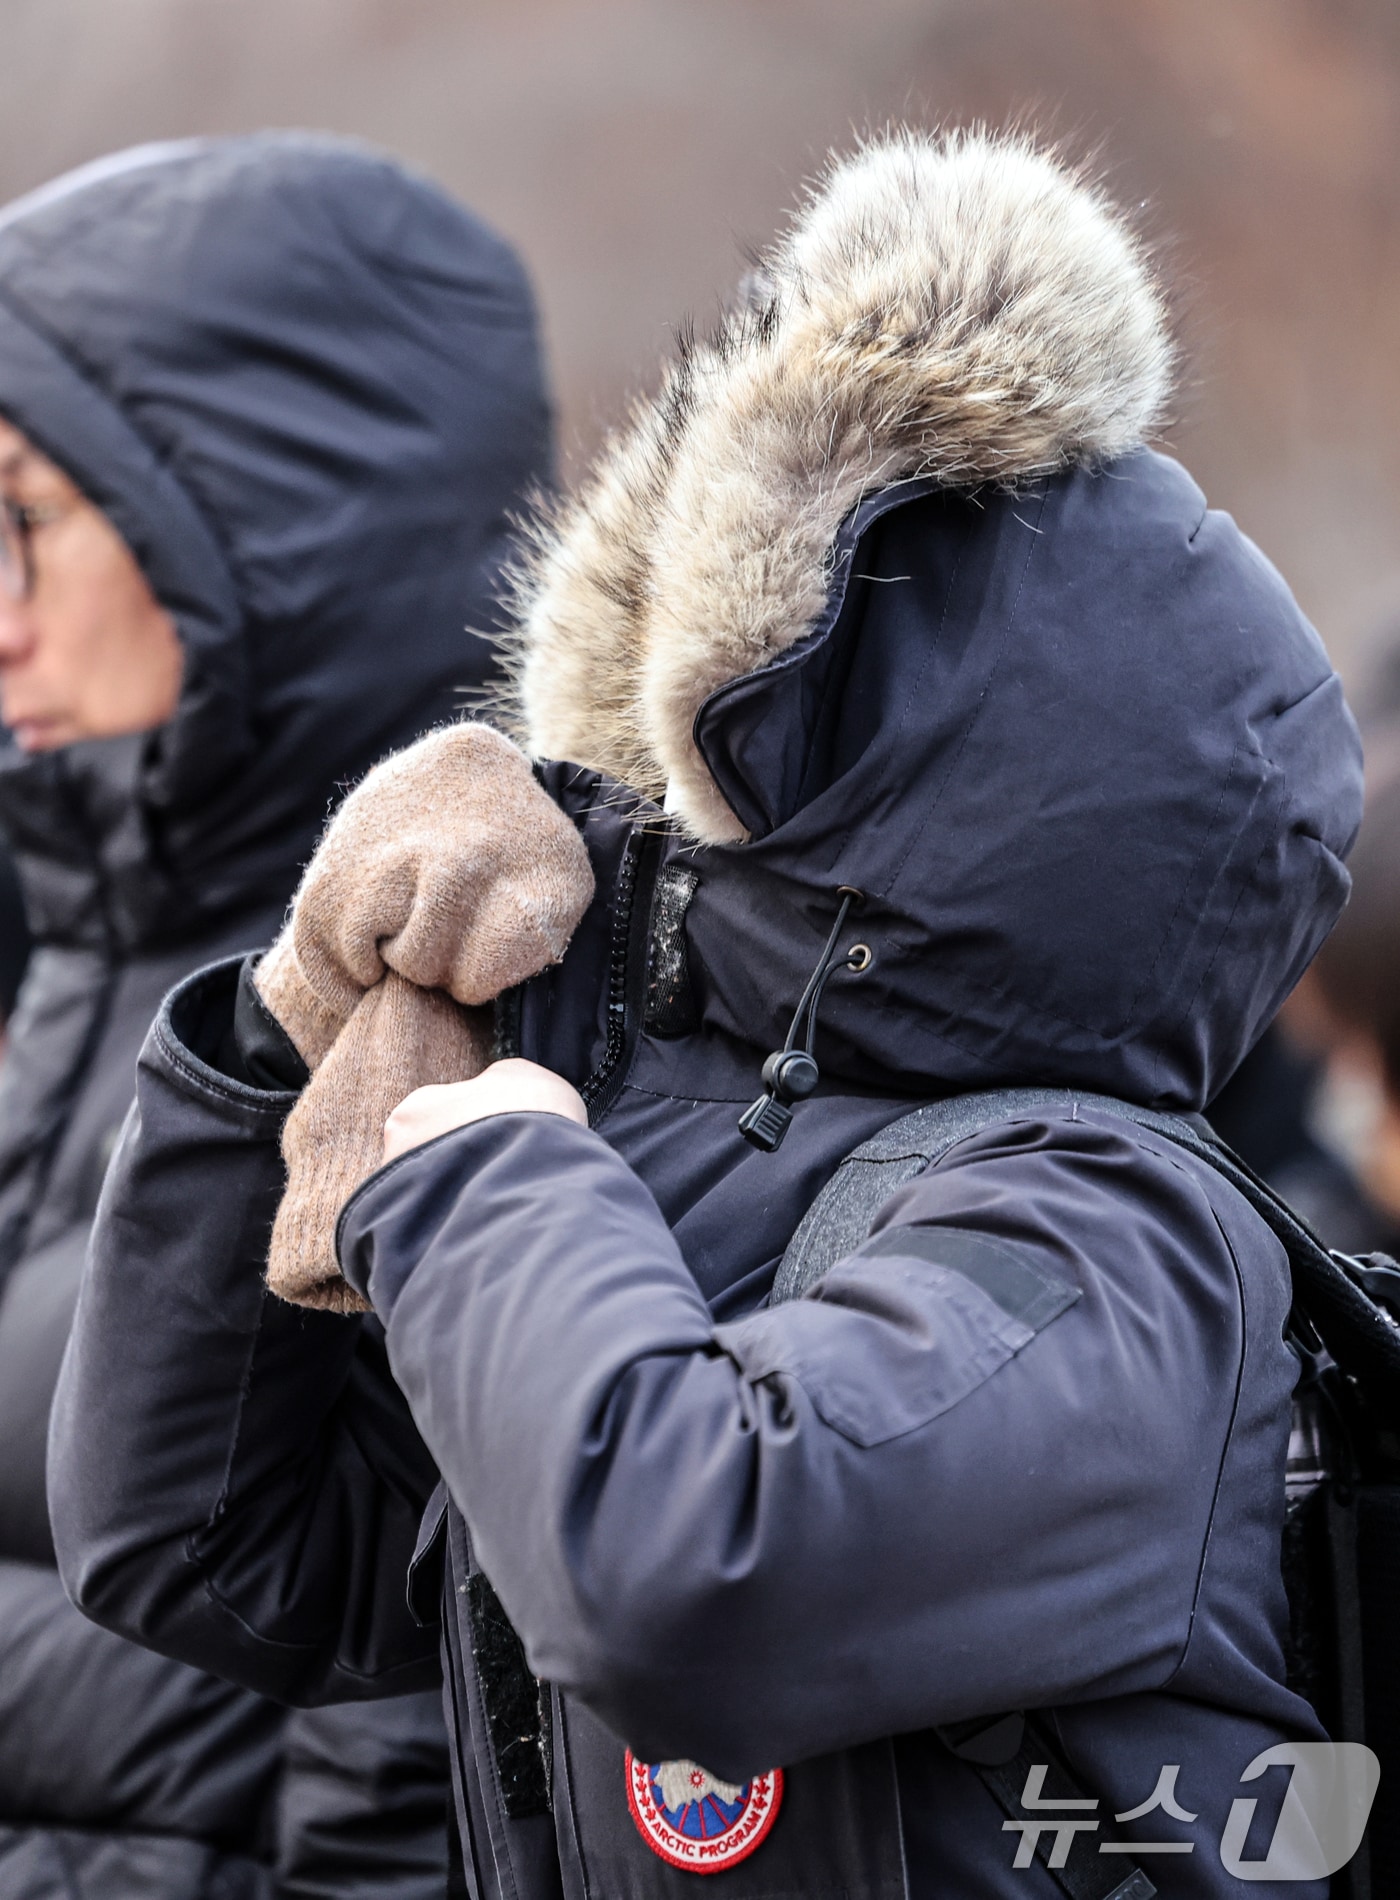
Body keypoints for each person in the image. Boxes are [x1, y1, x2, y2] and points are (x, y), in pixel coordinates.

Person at [51, 130, 1365, 1898]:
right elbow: (202, 1544)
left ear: (954, 784)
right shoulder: (678, 1167)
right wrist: (290, 1031)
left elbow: (692, 1578)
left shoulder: (1117, 1242)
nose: (698, 768)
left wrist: (487, 1173)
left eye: (777, 704)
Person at [0, 134, 550, 1896]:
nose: (0, 622)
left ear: (254, 537)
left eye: (24, 521)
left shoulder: (439, 1022)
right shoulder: (77, 941)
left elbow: (415, 1757)